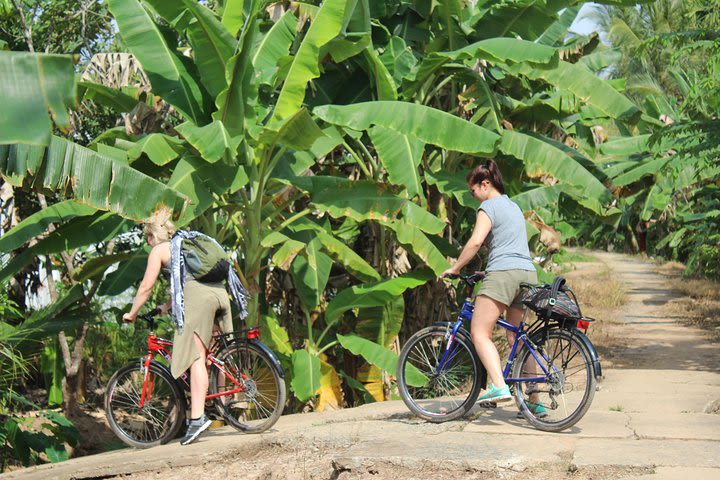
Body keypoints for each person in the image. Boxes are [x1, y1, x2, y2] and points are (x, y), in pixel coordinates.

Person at [122, 212, 249, 445]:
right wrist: (165, 307)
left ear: (151, 235)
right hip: (220, 294)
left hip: (200, 299)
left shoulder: (160, 250)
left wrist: (132, 313)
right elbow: (187, 281)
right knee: (217, 353)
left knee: (195, 358)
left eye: (146, 237)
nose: (146, 242)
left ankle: (197, 418)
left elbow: (146, 287)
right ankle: (224, 403)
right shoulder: (187, 242)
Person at [441, 159, 546, 416]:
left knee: (479, 332)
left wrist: (455, 268)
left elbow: (476, 242)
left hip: (504, 274)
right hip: (526, 274)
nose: (473, 196)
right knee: (516, 336)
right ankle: (534, 399)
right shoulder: (513, 206)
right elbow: (507, 245)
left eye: (473, 190)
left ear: (485, 184)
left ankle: (499, 386)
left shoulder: (488, 207)